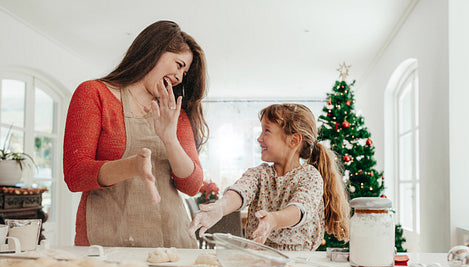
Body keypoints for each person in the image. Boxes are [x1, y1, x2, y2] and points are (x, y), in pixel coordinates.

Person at [64, 21, 207, 248]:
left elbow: (191, 185)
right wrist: (131, 167)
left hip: (171, 241)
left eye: (184, 72)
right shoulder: (94, 94)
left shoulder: (175, 115)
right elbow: (75, 175)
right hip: (107, 242)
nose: (180, 77)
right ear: (155, 50)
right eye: (179, 64)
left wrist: (169, 139)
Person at [189, 104, 350, 251]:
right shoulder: (260, 174)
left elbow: (300, 209)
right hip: (258, 259)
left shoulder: (309, 176)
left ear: (294, 140)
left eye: (267, 131)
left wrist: (273, 220)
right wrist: (220, 208)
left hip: (297, 262)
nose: (259, 138)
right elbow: (240, 191)